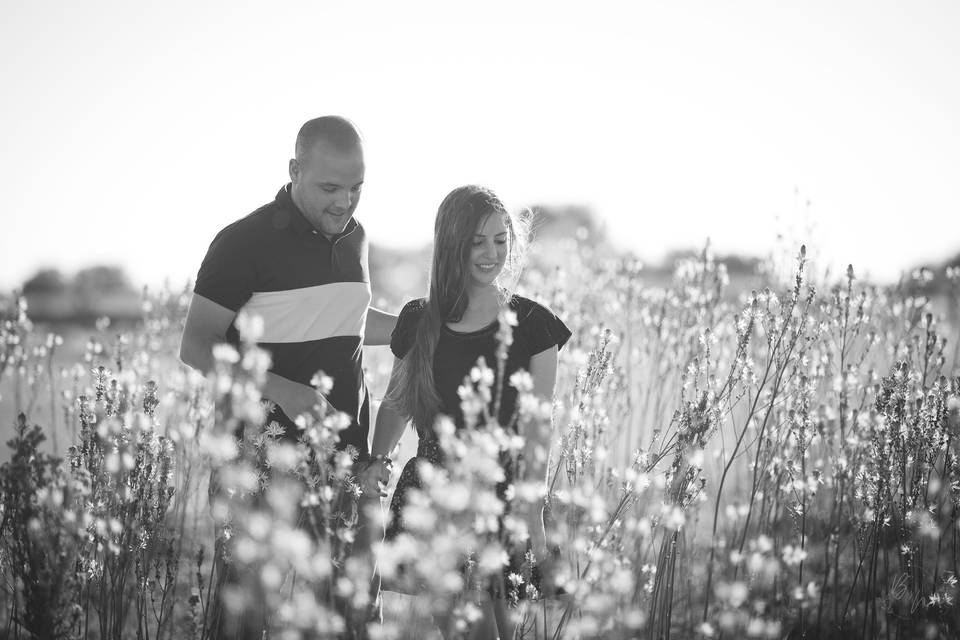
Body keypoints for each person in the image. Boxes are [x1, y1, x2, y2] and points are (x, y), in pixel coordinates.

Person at [179, 116, 395, 638]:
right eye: (330, 187)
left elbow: (350, 324)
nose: (345, 202)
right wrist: (282, 390)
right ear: (295, 170)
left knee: (352, 621)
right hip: (256, 466)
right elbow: (197, 345)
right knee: (243, 622)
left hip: (346, 461)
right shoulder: (242, 243)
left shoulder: (356, 238)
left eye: (356, 188)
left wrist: (420, 324)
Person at [371, 185, 571, 639]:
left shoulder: (535, 324)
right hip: (436, 495)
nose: (490, 253)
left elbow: (540, 423)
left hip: (504, 494)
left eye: (501, 240)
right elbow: (399, 402)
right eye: (476, 242)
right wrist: (375, 464)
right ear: (451, 245)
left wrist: (531, 505)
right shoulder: (421, 320)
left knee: (502, 629)